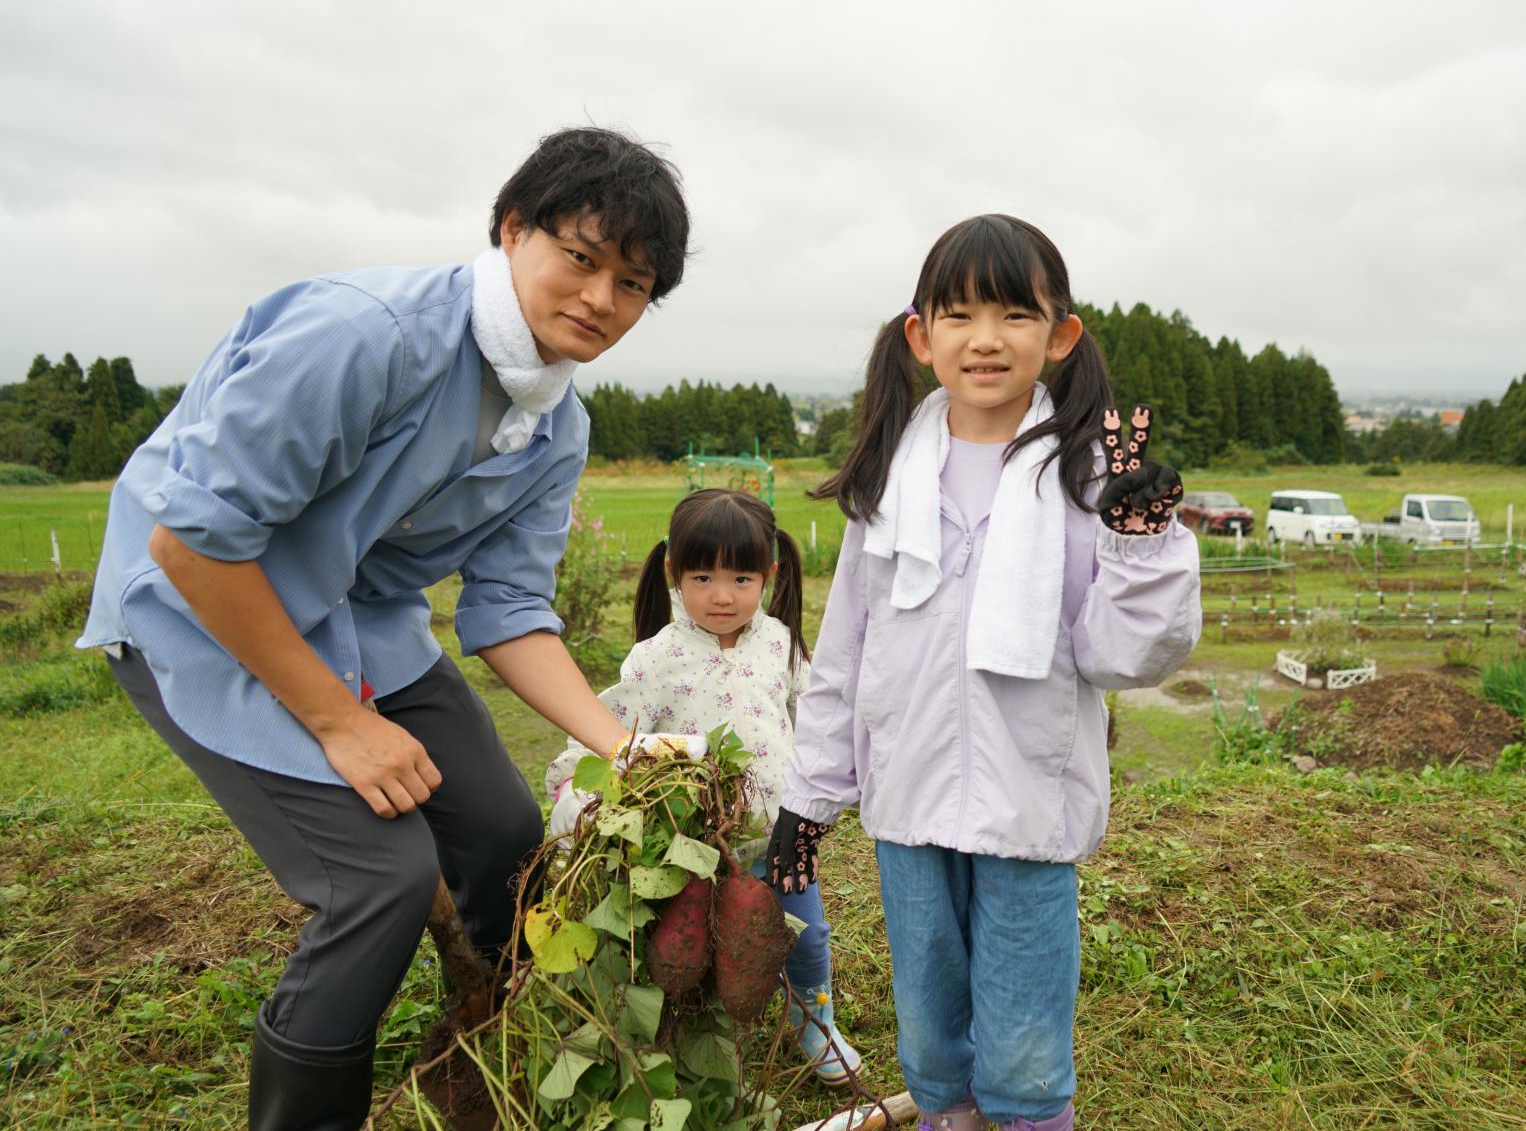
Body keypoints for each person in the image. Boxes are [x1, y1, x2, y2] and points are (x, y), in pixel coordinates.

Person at [78, 126, 690, 1130]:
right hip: (200, 610)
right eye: (579, 259)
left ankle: (480, 1040)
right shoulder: (366, 336)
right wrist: (339, 722)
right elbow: (188, 548)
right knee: (380, 881)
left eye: (631, 284)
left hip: (357, 621)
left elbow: (507, 612)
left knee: (502, 833)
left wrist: (622, 745)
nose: (599, 299)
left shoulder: (556, 425)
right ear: (511, 231)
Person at [764, 214, 1201, 1131]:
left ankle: (1032, 1119)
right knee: (927, 1016)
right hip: (908, 796)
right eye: (959, 315)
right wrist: (810, 798)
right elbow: (845, 652)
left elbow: (1120, 657)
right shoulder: (890, 476)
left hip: (1028, 800)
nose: (987, 339)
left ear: (1061, 335)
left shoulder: (1085, 478)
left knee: (1028, 1026)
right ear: (922, 336)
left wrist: (1141, 542)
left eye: (1015, 314)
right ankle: (943, 1115)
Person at [544, 488, 864, 1085]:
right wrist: (572, 787)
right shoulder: (655, 658)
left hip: (780, 835)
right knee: (693, 951)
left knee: (808, 937)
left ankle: (812, 1023)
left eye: (742, 577)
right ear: (674, 574)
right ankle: (699, 1040)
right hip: (691, 849)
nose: (723, 595)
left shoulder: (780, 643)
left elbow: (825, 715)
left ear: (768, 574)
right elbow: (607, 728)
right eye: (703, 576)